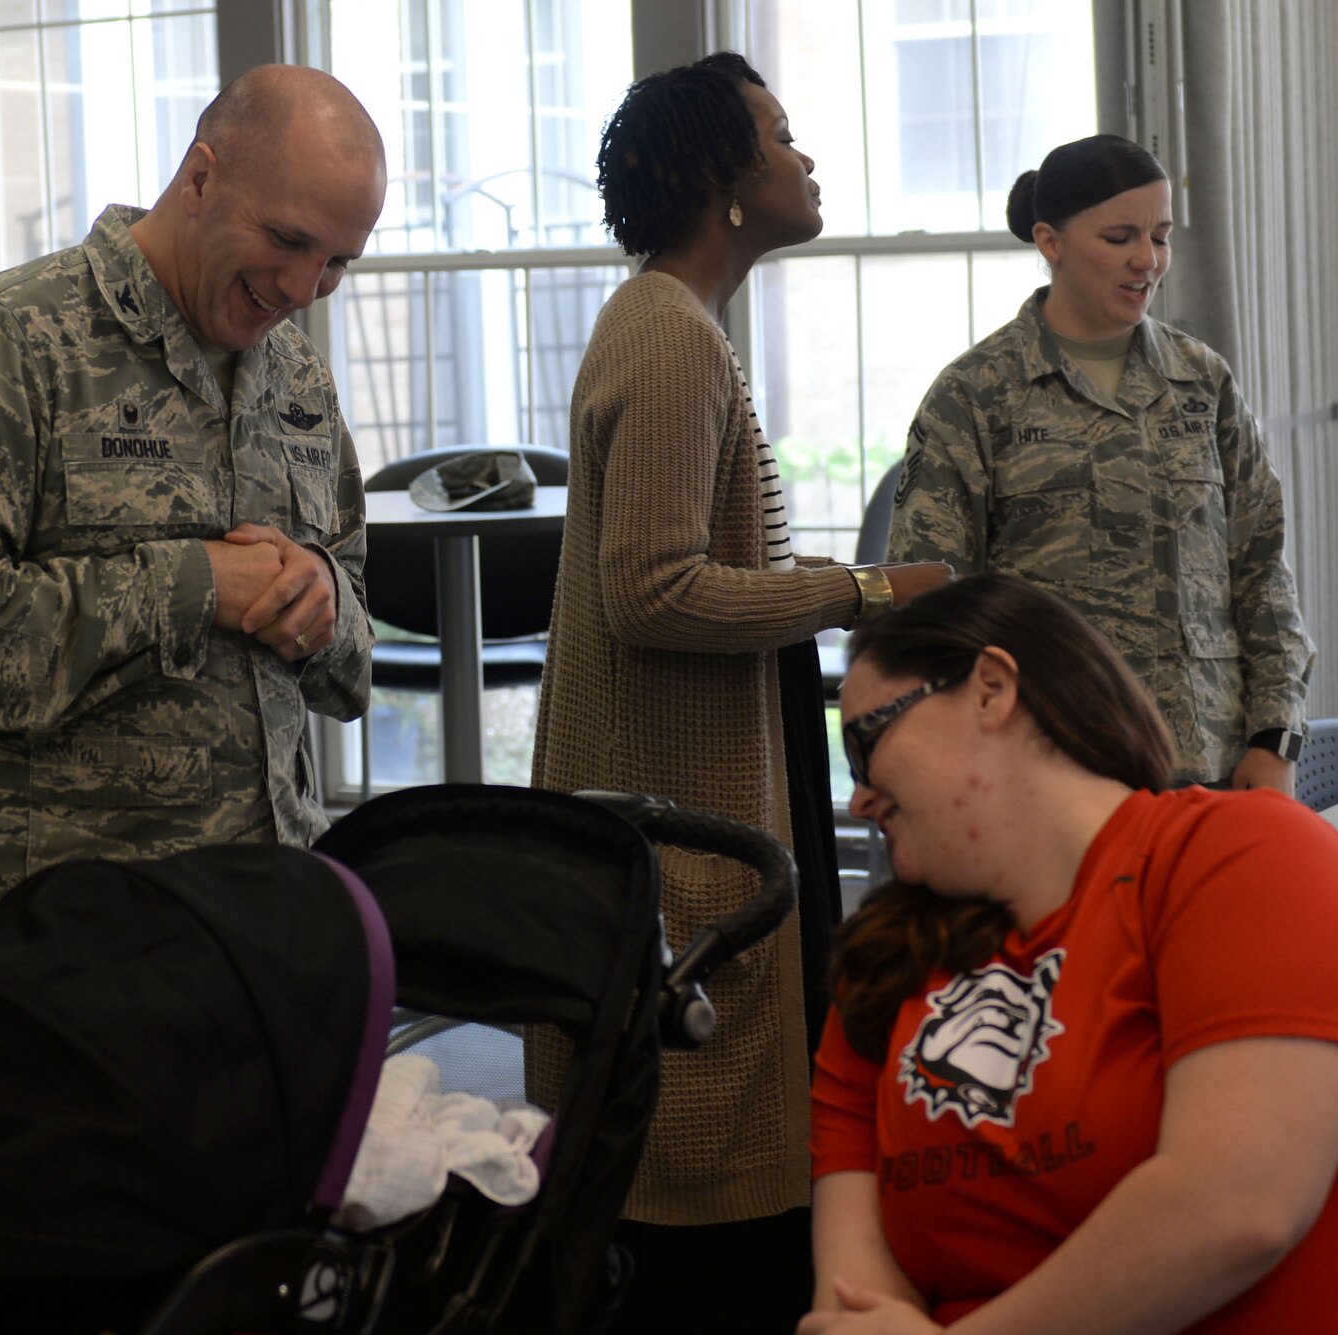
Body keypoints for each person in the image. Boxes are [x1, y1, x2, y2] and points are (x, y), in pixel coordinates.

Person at [803, 573, 1338, 1334]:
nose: (859, 796)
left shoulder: (1242, 857)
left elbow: (1237, 1203)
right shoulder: (884, 964)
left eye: (867, 740)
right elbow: (853, 1301)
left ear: (990, 689)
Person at [529, 52, 950, 1333]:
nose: (804, 158)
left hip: (697, 812)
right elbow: (651, 589)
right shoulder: (666, 337)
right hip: (681, 842)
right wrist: (867, 591)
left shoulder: (673, 328)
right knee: (693, 1219)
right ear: (720, 178)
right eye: (779, 135)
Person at [0, 65, 387, 958]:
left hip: (254, 939)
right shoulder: (11, 344)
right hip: (45, 955)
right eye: (288, 240)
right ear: (201, 177)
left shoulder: (296, 379)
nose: (303, 287)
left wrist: (324, 603)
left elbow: (355, 659)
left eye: (337, 262)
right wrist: (193, 585)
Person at [886, 134, 1312, 792]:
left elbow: (1261, 571)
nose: (1148, 261)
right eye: (1119, 238)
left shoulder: (1202, 381)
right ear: (1050, 242)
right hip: (1051, 777)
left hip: (1211, 772)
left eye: (1161, 236)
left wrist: (1275, 739)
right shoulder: (975, 396)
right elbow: (932, 606)